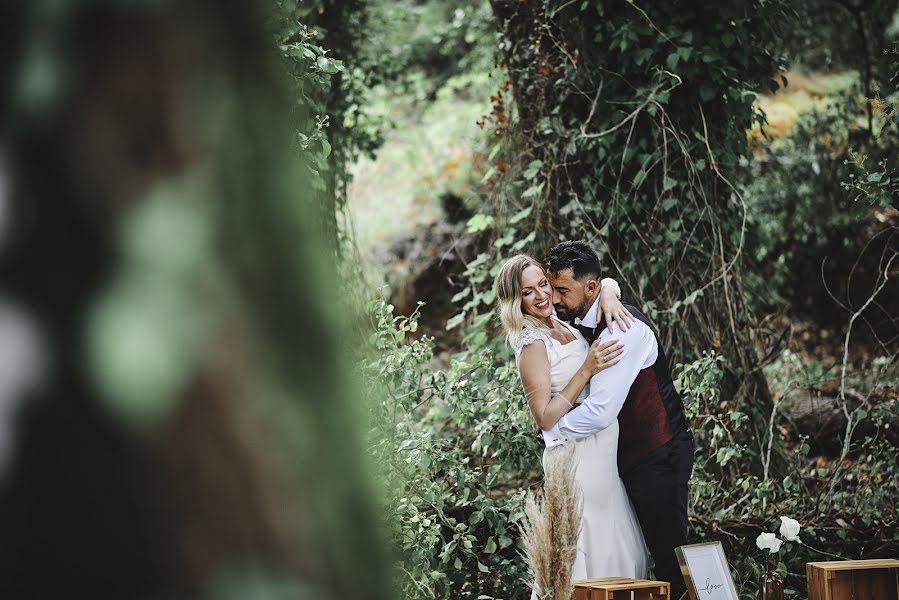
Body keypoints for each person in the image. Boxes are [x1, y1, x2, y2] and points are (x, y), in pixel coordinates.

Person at [543, 240, 694, 600]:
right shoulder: (580, 316)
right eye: (553, 288)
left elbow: (600, 411)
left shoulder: (621, 331)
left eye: (563, 290)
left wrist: (551, 429)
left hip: (658, 454)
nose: (556, 299)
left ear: (590, 288)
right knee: (630, 550)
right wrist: (610, 287)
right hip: (618, 461)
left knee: (668, 554)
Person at [495, 254, 648, 591]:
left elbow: (596, 284)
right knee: (585, 549)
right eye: (527, 292)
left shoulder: (560, 323)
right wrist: (587, 370)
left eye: (543, 284)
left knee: (613, 542)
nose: (541, 295)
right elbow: (545, 417)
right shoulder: (532, 342)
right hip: (575, 458)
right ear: (514, 301)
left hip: (602, 455)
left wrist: (608, 289)